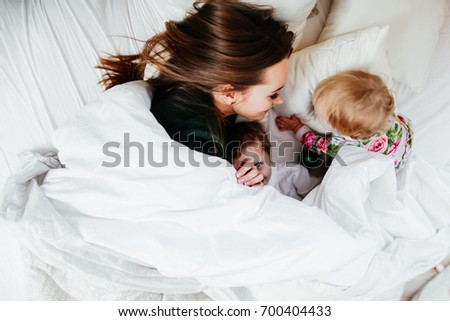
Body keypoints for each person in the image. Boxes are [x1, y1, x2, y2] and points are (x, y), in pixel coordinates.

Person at [97, 0, 294, 187]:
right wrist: (243, 189)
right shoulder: (195, 136)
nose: (280, 100)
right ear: (230, 93)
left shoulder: (205, 95)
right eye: (273, 94)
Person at [276, 70, 414, 171]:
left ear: (340, 129)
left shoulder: (341, 144)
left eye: (318, 114)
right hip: (403, 142)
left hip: (388, 166)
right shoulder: (384, 108)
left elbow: (315, 143)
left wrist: (296, 126)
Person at [227, 121, 321, 199]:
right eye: (246, 170)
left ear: (270, 156)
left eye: (258, 164)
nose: (256, 174)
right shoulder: (242, 191)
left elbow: (319, 194)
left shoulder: (292, 173)